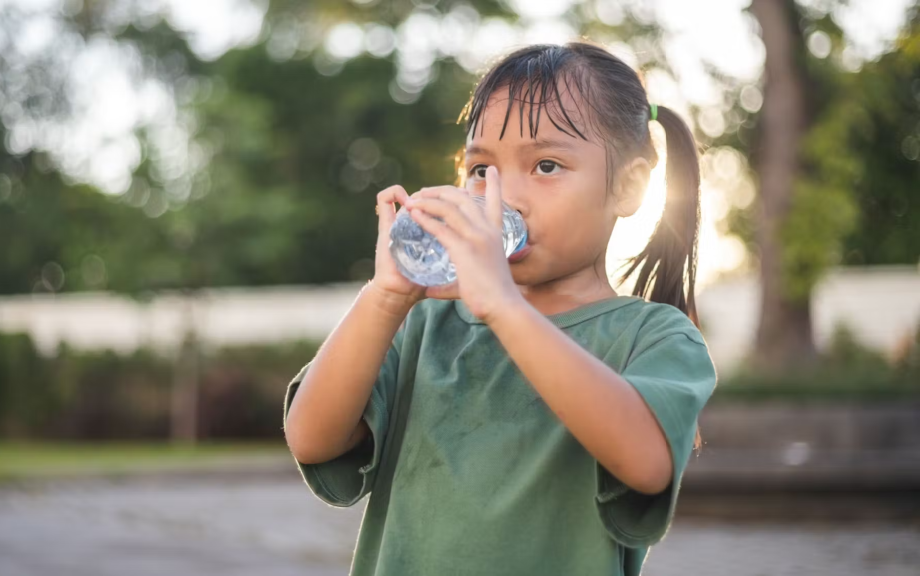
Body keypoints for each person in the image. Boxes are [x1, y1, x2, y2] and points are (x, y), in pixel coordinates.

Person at [283, 41, 716, 576]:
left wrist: (503, 307)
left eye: (547, 165)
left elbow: (647, 463)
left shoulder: (652, 335)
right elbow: (311, 438)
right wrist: (386, 295)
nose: (501, 195)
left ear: (627, 187)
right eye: (481, 168)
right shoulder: (423, 324)